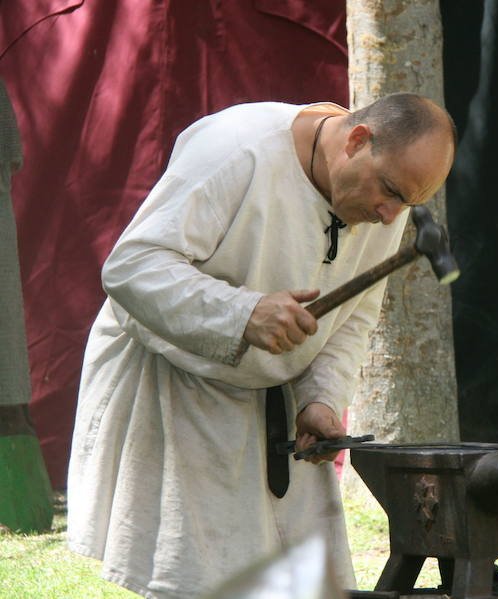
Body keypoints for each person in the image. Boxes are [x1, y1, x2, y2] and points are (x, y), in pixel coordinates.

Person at [66, 93, 457, 599]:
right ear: (357, 141)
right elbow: (131, 267)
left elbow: (353, 319)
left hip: (275, 401)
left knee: (300, 585)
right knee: (200, 585)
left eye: (407, 202)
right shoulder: (237, 148)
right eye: (389, 192)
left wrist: (321, 399)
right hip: (178, 384)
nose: (389, 217)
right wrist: (242, 312)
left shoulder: (387, 200)